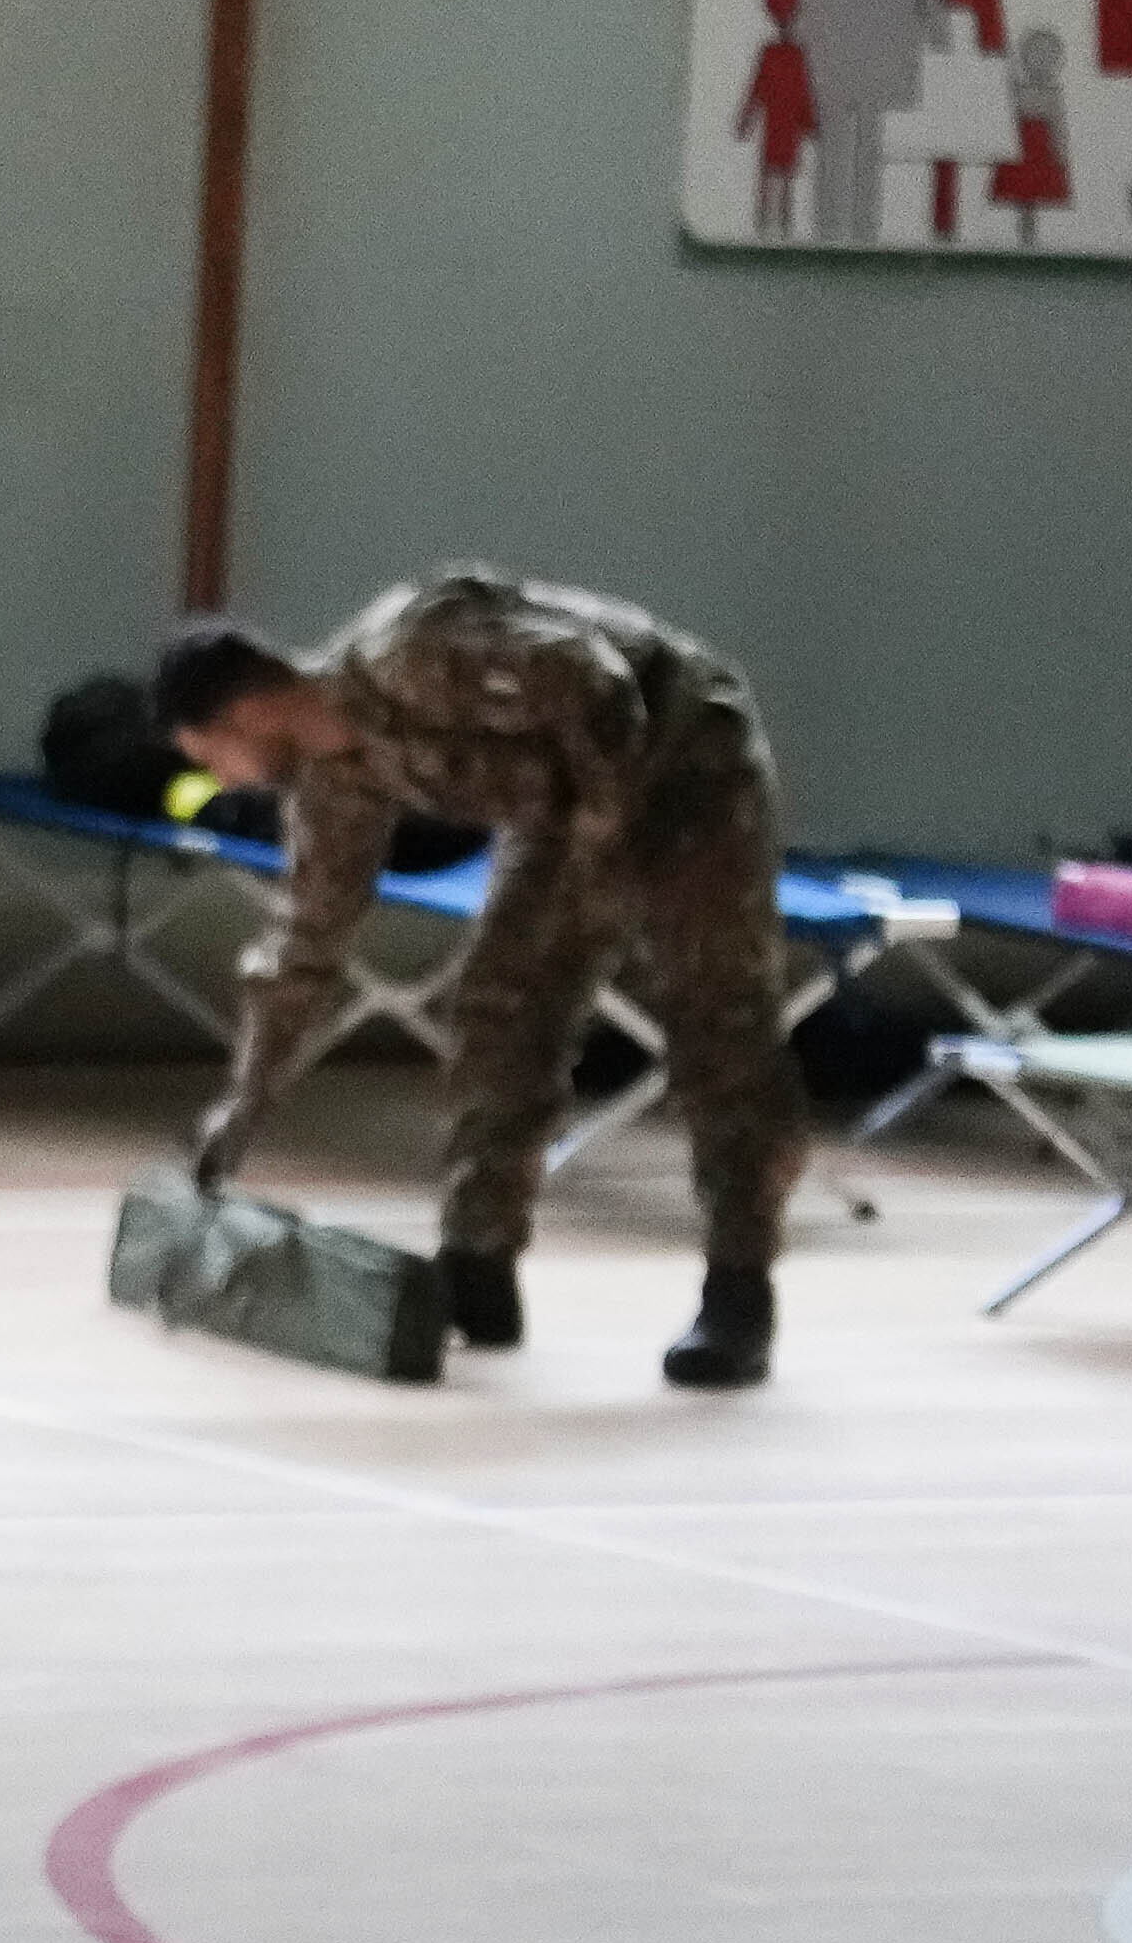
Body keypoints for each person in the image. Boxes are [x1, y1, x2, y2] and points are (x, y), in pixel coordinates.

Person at [158, 575, 807, 1390]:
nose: (225, 781)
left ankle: (738, 1295)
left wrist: (607, 831)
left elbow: (593, 677)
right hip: (572, 809)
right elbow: (303, 948)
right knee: (500, 1011)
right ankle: (477, 1269)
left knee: (720, 1025)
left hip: (686, 760)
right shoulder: (335, 783)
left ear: (245, 713)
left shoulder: (410, 652)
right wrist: (242, 1105)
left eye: (210, 757)